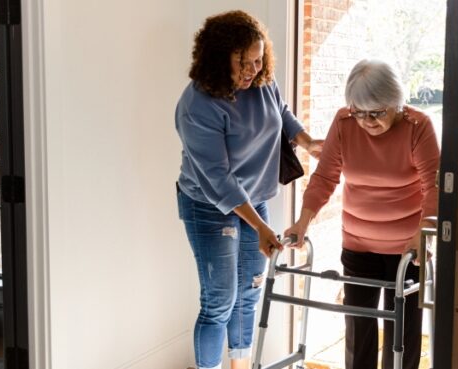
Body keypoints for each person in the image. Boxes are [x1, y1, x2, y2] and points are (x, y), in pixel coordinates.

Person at [175, 10, 320, 369]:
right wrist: (260, 227)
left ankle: (241, 366)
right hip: (208, 204)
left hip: (253, 200)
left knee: (249, 292)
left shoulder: (261, 81)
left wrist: (307, 140)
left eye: (258, 59)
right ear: (217, 58)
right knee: (220, 300)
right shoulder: (198, 105)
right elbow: (219, 179)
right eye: (243, 62)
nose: (252, 69)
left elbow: (280, 112)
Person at [284, 59, 440, 369]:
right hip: (358, 244)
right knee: (358, 327)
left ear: (396, 103)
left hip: (407, 249)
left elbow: (434, 185)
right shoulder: (344, 123)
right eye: (359, 112)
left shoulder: (417, 127)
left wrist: (423, 234)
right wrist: (302, 222)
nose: (367, 121)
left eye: (377, 113)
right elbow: (325, 177)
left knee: (403, 334)